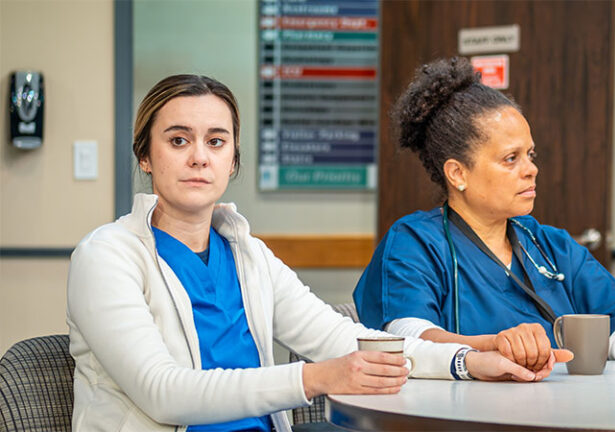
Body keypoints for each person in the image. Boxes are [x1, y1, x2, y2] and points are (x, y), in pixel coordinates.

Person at [66, 74, 573, 432]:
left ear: (233, 159)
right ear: (145, 157)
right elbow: (163, 392)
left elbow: (345, 338)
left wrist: (467, 360)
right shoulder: (107, 256)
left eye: (216, 141)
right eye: (179, 140)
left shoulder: (247, 255)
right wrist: (315, 378)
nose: (200, 156)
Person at [354, 57, 615, 378]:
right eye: (510, 158)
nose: (531, 170)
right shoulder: (414, 243)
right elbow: (408, 341)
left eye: (530, 155)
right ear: (458, 174)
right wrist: (493, 347)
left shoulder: (550, 244)